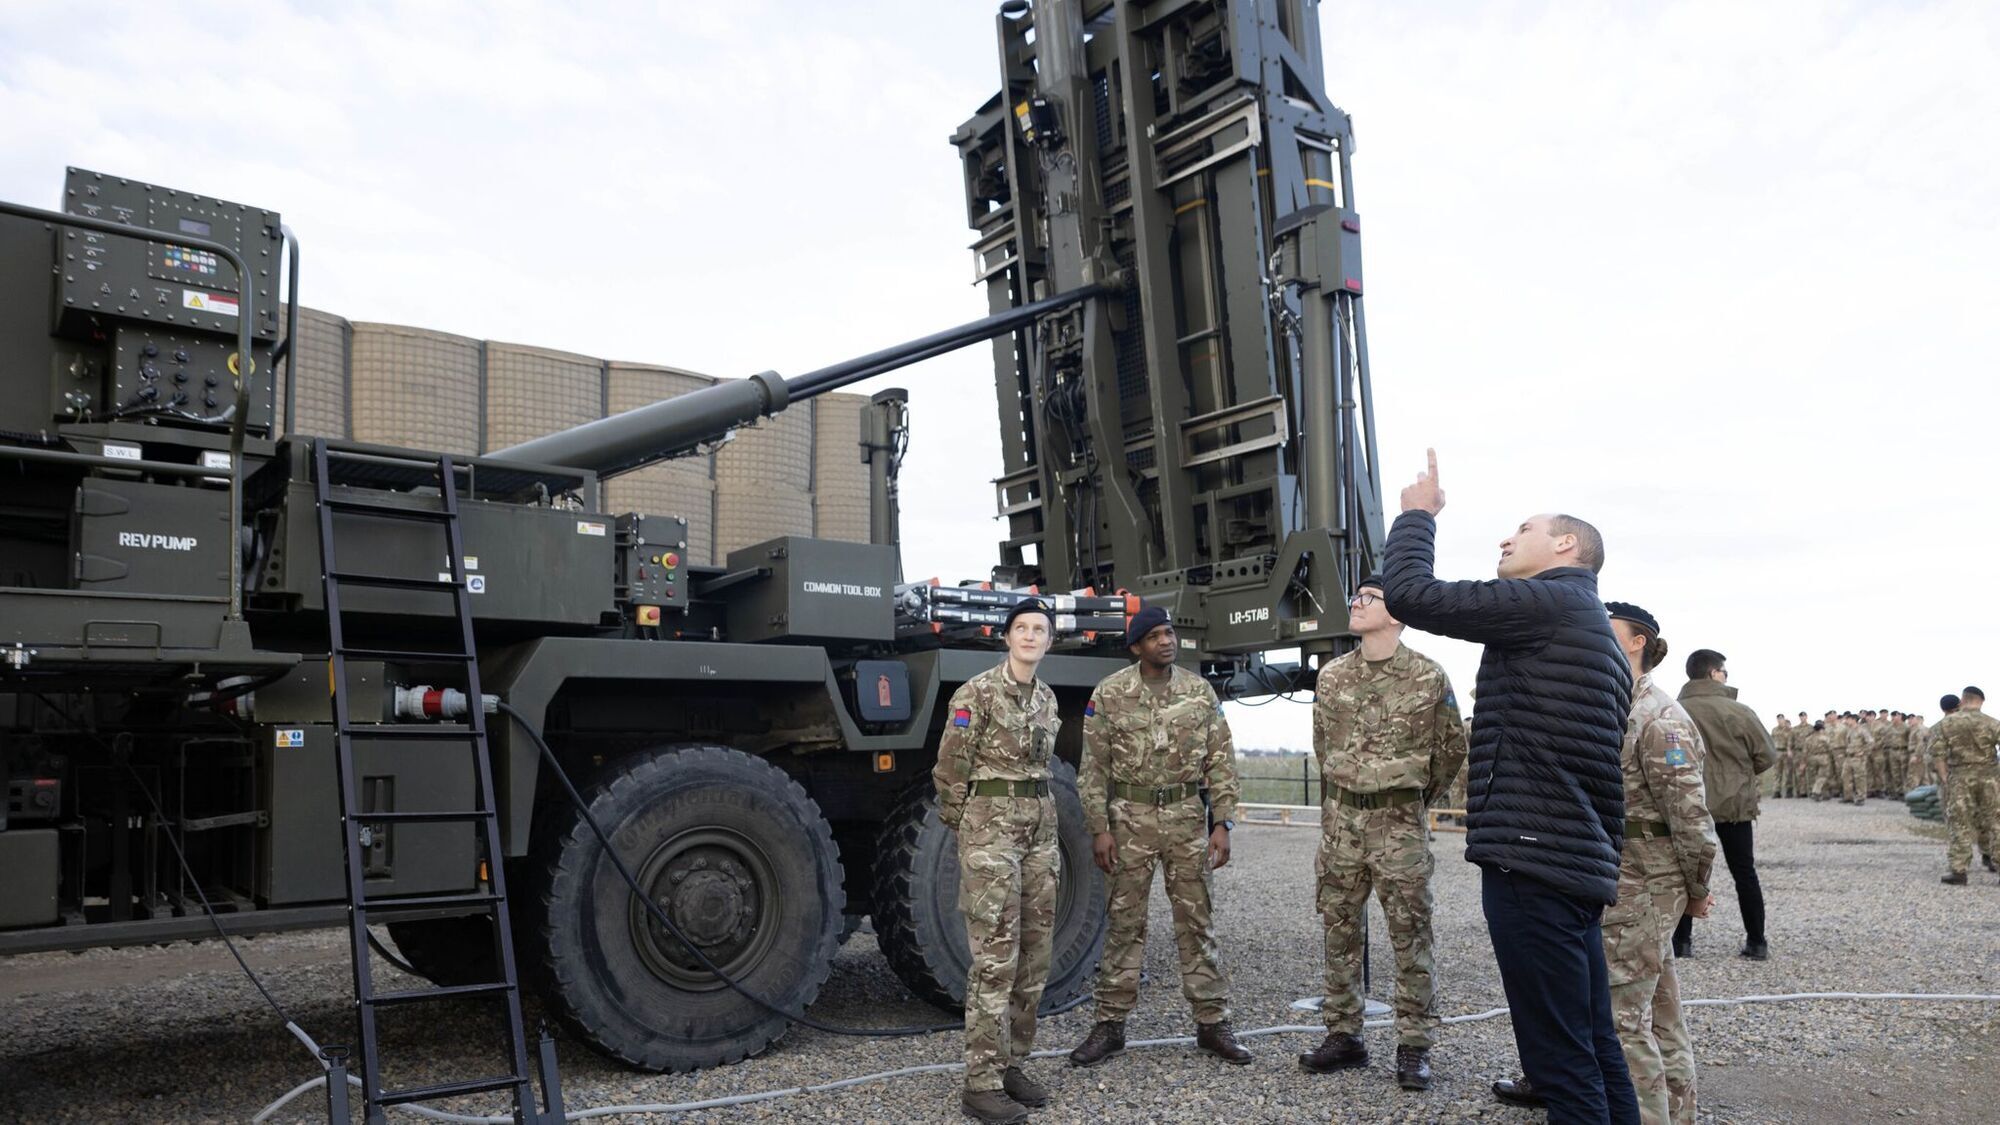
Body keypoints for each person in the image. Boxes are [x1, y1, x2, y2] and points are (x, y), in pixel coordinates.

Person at [1378, 450, 1639, 1125]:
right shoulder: (1596, 632)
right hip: (1573, 862)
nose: (1505, 538)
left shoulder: (1550, 600)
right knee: (1594, 1042)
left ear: (1565, 545)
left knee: (1561, 1062)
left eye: (1522, 528)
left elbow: (1410, 594)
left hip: (1534, 860)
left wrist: (1415, 516)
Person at [1502, 603, 1715, 1122]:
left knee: (1621, 1018)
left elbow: (1690, 816)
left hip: (1643, 881)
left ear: (1637, 641)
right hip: (1615, 877)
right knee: (1658, 1008)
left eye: (1607, 630)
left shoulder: (1659, 717)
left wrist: (1698, 884)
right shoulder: (1608, 703)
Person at [1296, 576, 1467, 1091]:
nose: (1356, 602)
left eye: (1369, 598)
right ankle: (1344, 1034)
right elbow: (1323, 747)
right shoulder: (1331, 677)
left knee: (1410, 934)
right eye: (1355, 596)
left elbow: (1450, 750)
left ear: (1397, 614)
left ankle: (1414, 1044)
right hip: (1342, 823)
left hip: (1399, 826)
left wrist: (1408, 797)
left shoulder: (1427, 675)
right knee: (1339, 930)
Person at [1069, 605, 1250, 1069]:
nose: (1166, 641)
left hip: (1187, 817)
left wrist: (1222, 823)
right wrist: (1099, 829)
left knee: (1197, 923)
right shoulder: (1111, 694)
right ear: (1136, 647)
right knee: (1125, 924)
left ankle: (1212, 1023)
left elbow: (1221, 760)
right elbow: (1093, 770)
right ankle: (1110, 1025)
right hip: (1128, 819)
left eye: (1170, 633)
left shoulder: (1198, 691)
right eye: (1154, 636)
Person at [933, 599, 1064, 1123]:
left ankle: (1012, 1064)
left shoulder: (1048, 699)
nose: (1030, 636)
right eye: (1021, 629)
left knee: (1035, 953)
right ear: (1007, 638)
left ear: (1049, 641)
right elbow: (950, 767)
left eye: (1039, 630)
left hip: (1040, 825)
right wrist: (967, 826)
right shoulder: (978, 693)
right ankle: (980, 1083)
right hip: (991, 829)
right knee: (995, 955)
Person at [1672, 650, 1774, 961]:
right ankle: (1756, 941)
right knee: (1744, 873)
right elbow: (1766, 755)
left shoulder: (1675, 711)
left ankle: (1682, 944)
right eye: (1724, 672)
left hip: (1688, 804)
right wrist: (1737, 774)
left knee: (1686, 873)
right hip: (1733, 806)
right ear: (1715, 673)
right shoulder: (1739, 712)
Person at [1934, 687, 2000, 886]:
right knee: (1995, 823)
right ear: (1981, 701)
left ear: (1962, 700)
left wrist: (1945, 777)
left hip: (1960, 778)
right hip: (1990, 778)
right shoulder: (1993, 723)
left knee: (1960, 823)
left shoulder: (1947, 723)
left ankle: (1959, 871)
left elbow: (1938, 754)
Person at [1769, 714, 1794, 800]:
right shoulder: (1774, 730)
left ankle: (1788, 790)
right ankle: (1776, 791)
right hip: (1777, 752)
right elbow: (1771, 741)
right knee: (1777, 773)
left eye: (1781, 719)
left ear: (1784, 719)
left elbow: (1791, 740)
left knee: (1788, 772)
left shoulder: (1788, 730)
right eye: (1778, 719)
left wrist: (1789, 750)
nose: (1780, 720)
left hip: (1786, 752)